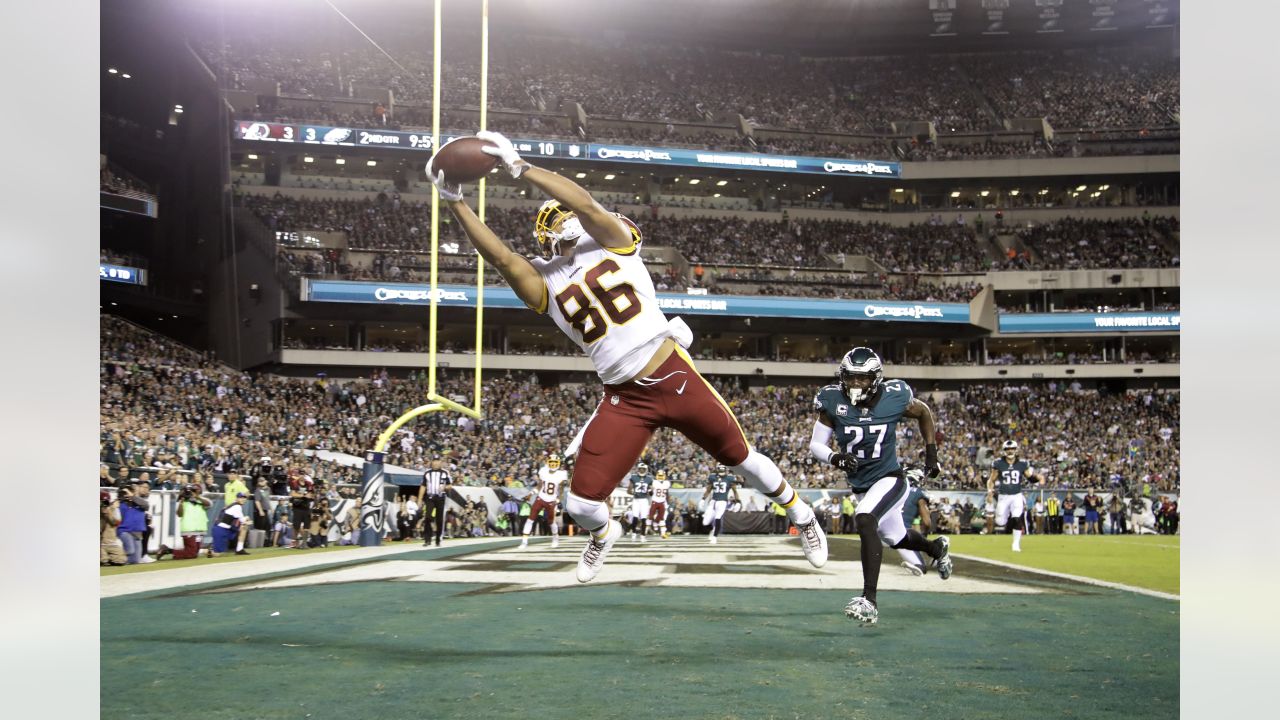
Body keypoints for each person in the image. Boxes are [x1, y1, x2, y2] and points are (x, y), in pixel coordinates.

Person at [431, 131, 826, 583]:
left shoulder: (614, 242)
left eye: (568, 212)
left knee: (740, 458)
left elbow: (590, 208)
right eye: (559, 218)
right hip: (623, 396)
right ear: (546, 237)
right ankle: (604, 535)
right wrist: (454, 200)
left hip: (671, 373)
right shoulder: (544, 282)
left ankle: (803, 515)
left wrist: (521, 168)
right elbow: (502, 259)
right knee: (580, 506)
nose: (569, 220)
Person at [808, 347, 952, 625]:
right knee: (897, 538)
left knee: (864, 519)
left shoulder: (895, 396)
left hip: (890, 478)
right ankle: (937, 549)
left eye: (862, 379)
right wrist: (835, 457)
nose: (855, 384)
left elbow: (924, 412)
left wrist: (931, 454)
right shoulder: (831, 399)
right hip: (862, 485)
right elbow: (816, 444)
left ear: (875, 378)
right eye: (850, 377)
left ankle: (869, 600)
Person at [987, 440, 1040, 552]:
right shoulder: (998, 463)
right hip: (1003, 496)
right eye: (1007, 449)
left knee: (1017, 518)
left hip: (1016, 495)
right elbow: (991, 480)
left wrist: (1038, 478)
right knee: (1000, 521)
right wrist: (990, 491)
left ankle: (1016, 544)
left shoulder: (1022, 463)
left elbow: (1029, 478)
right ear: (1004, 450)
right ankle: (1006, 518)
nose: (1010, 451)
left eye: (1012, 449)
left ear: (1016, 450)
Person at [522, 453, 567, 549]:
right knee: (531, 519)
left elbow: (561, 490)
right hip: (541, 498)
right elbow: (539, 486)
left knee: (551, 522)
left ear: (558, 463)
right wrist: (531, 493)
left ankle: (555, 538)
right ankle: (524, 541)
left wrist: (558, 500)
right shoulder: (543, 471)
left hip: (551, 501)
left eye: (555, 462)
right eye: (551, 462)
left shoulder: (561, 474)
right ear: (548, 463)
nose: (553, 464)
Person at [897, 469, 931, 576]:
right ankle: (920, 562)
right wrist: (924, 535)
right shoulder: (918, 493)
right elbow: (927, 522)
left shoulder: (896, 489)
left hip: (879, 528)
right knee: (921, 567)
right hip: (900, 533)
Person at [170, 483, 212, 560]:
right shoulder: (183, 500)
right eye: (193, 490)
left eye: (196, 490)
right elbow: (179, 514)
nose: (194, 492)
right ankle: (169, 551)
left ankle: (173, 553)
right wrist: (181, 502)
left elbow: (209, 504)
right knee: (192, 554)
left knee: (194, 553)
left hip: (200, 530)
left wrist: (198, 497)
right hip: (188, 529)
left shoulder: (203, 500)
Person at [700, 465, 739, 545]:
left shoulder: (730, 479)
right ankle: (713, 530)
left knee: (718, 518)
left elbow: (735, 491)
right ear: (717, 471)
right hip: (713, 501)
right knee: (705, 523)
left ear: (726, 471)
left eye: (723, 471)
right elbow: (708, 490)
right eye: (720, 471)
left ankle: (714, 537)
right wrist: (703, 499)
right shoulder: (713, 477)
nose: (722, 473)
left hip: (722, 502)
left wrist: (738, 502)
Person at [418, 455, 451, 547]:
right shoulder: (427, 473)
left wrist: (444, 487)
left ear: (440, 462)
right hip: (430, 497)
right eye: (434, 461)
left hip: (440, 498)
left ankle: (438, 539)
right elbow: (423, 486)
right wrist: (420, 499)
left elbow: (450, 485)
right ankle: (427, 539)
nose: (436, 463)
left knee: (439, 519)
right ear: (432, 462)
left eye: (437, 461)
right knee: (428, 517)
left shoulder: (445, 472)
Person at [210, 493, 249, 558]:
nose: (243, 499)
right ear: (236, 498)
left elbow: (241, 522)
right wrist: (247, 519)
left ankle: (239, 549)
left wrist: (246, 521)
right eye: (241, 498)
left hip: (228, 529)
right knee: (218, 554)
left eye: (244, 498)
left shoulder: (234, 505)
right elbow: (243, 520)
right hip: (220, 530)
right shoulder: (237, 506)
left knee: (244, 527)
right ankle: (201, 551)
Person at [629, 465, 654, 544]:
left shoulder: (649, 479)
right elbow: (628, 490)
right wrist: (632, 492)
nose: (642, 470)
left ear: (646, 469)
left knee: (644, 519)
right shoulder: (634, 477)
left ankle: (643, 536)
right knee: (635, 517)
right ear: (638, 469)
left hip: (644, 500)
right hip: (636, 500)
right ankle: (633, 534)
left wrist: (650, 491)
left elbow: (651, 494)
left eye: (643, 469)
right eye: (641, 469)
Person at [100, 491, 127, 566]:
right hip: (100, 544)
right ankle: (105, 558)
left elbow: (116, 522)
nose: (103, 505)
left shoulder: (113, 509)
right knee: (103, 560)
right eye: (101, 502)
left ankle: (109, 558)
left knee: (121, 560)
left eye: (105, 502)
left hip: (112, 543)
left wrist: (110, 512)